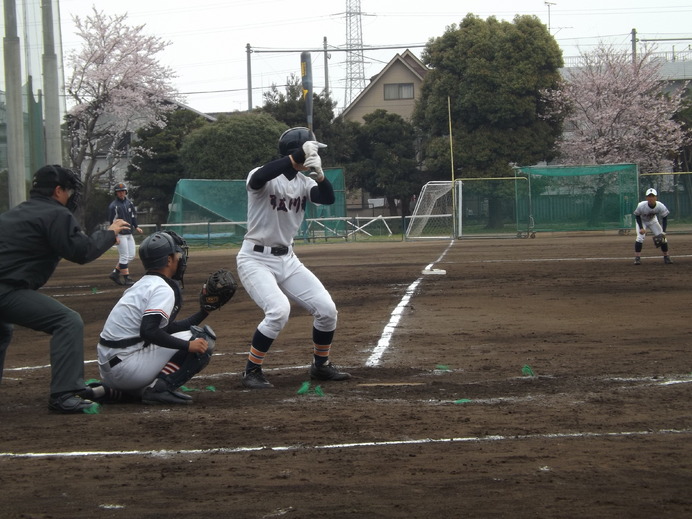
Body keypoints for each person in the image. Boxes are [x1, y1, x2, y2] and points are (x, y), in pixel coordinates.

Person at [0, 164, 130, 413]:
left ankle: (69, 387)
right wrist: (109, 233)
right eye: (68, 191)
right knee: (67, 321)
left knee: (2, 331)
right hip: (6, 290)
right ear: (57, 190)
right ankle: (64, 393)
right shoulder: (55, 213)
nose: (70, 196)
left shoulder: (15, 213)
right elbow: (81, 251)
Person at [236, 127, 350, 389]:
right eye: (310, 150)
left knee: (327, 310)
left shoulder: (304, 183)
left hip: (288, 259)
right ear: (295, 151)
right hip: (255, 259)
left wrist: (321, 177)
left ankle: (320, 366)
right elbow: (262, 176)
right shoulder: (261, 176)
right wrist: (297, 155)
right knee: (278, 311)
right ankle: (251, 370)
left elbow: (328, 198)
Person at [95, 230, 215, 405]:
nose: (180, 258)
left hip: (111, 366)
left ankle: (113, 391)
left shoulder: (144, 284)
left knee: (188, 336)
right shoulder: (162, 288)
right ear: (168, 260)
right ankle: (161, 389)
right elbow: (149, 331)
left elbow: (166, 329)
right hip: (126, 368)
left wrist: (204, 312)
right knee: (203, 339)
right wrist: (188, 345)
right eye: (177, 255)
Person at [107, 182, 143, 286]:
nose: (121, 193)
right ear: (116, 193)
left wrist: (136, 227)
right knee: (124, 256)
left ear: (126, 192)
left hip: (128, 232)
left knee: (131, 256)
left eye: (123, 191)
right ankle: (127, 278)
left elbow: (133, 217)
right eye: (119, 192)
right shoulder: (113, 206)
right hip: (121, 233)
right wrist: (115, 235)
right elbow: (112, 222)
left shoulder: (129, 203)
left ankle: (115, 273)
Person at [633, 187, 672, 265]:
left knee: (662, 237)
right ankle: (637, 258)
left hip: (653, 221)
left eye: (653, 196)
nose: (651, 198)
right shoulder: (641, 205)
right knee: (640, 237)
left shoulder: (660, 206)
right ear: (646, 198)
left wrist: (664, 231)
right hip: (642, 221)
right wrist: (641, 227)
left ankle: (666, 257)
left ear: (656, 197)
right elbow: (637, 215)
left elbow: (664, 218)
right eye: (649, 196)